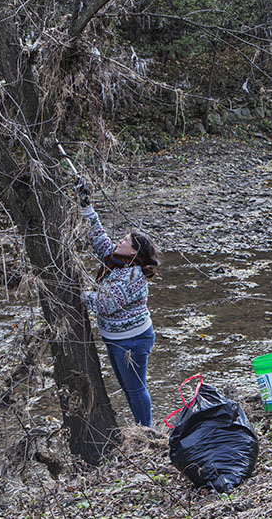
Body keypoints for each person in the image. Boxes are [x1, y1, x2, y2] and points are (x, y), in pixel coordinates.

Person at [76, 180, 159, 426]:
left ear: (134, 253)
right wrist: (86, 206)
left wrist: (76, 292)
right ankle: (141, 427)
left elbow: (104, 304)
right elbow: (98, 238)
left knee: (135, 389)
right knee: (127, 387)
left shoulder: (133, 276)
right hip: (116, 338)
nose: (119, 242)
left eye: (125, 241)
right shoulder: (117, 260)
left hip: (132, 340)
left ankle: (147, 432)